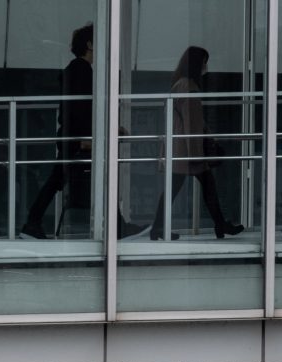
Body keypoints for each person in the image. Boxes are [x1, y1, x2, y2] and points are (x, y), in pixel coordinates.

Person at [19, 24, 142, 241]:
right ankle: (118, 228)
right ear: (90, 44)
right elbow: (82, 110)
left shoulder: (74, 69)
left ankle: (32, 223)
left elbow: (79, 110)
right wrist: (88, 139)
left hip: (71, 137)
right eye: (100, 41)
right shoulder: (82, 70)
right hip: (77, 139)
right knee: (103, 178)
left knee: (58, 180)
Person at [150, 46, 244, 241]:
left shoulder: (180, 84)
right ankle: (220, 224)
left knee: (185, 188)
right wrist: (197, 154)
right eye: (204, 62)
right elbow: (192, 123)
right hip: (188, 150)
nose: (206, 67)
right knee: (201, 186)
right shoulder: (189, 87)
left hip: (181, 147)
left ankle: (160, 228)